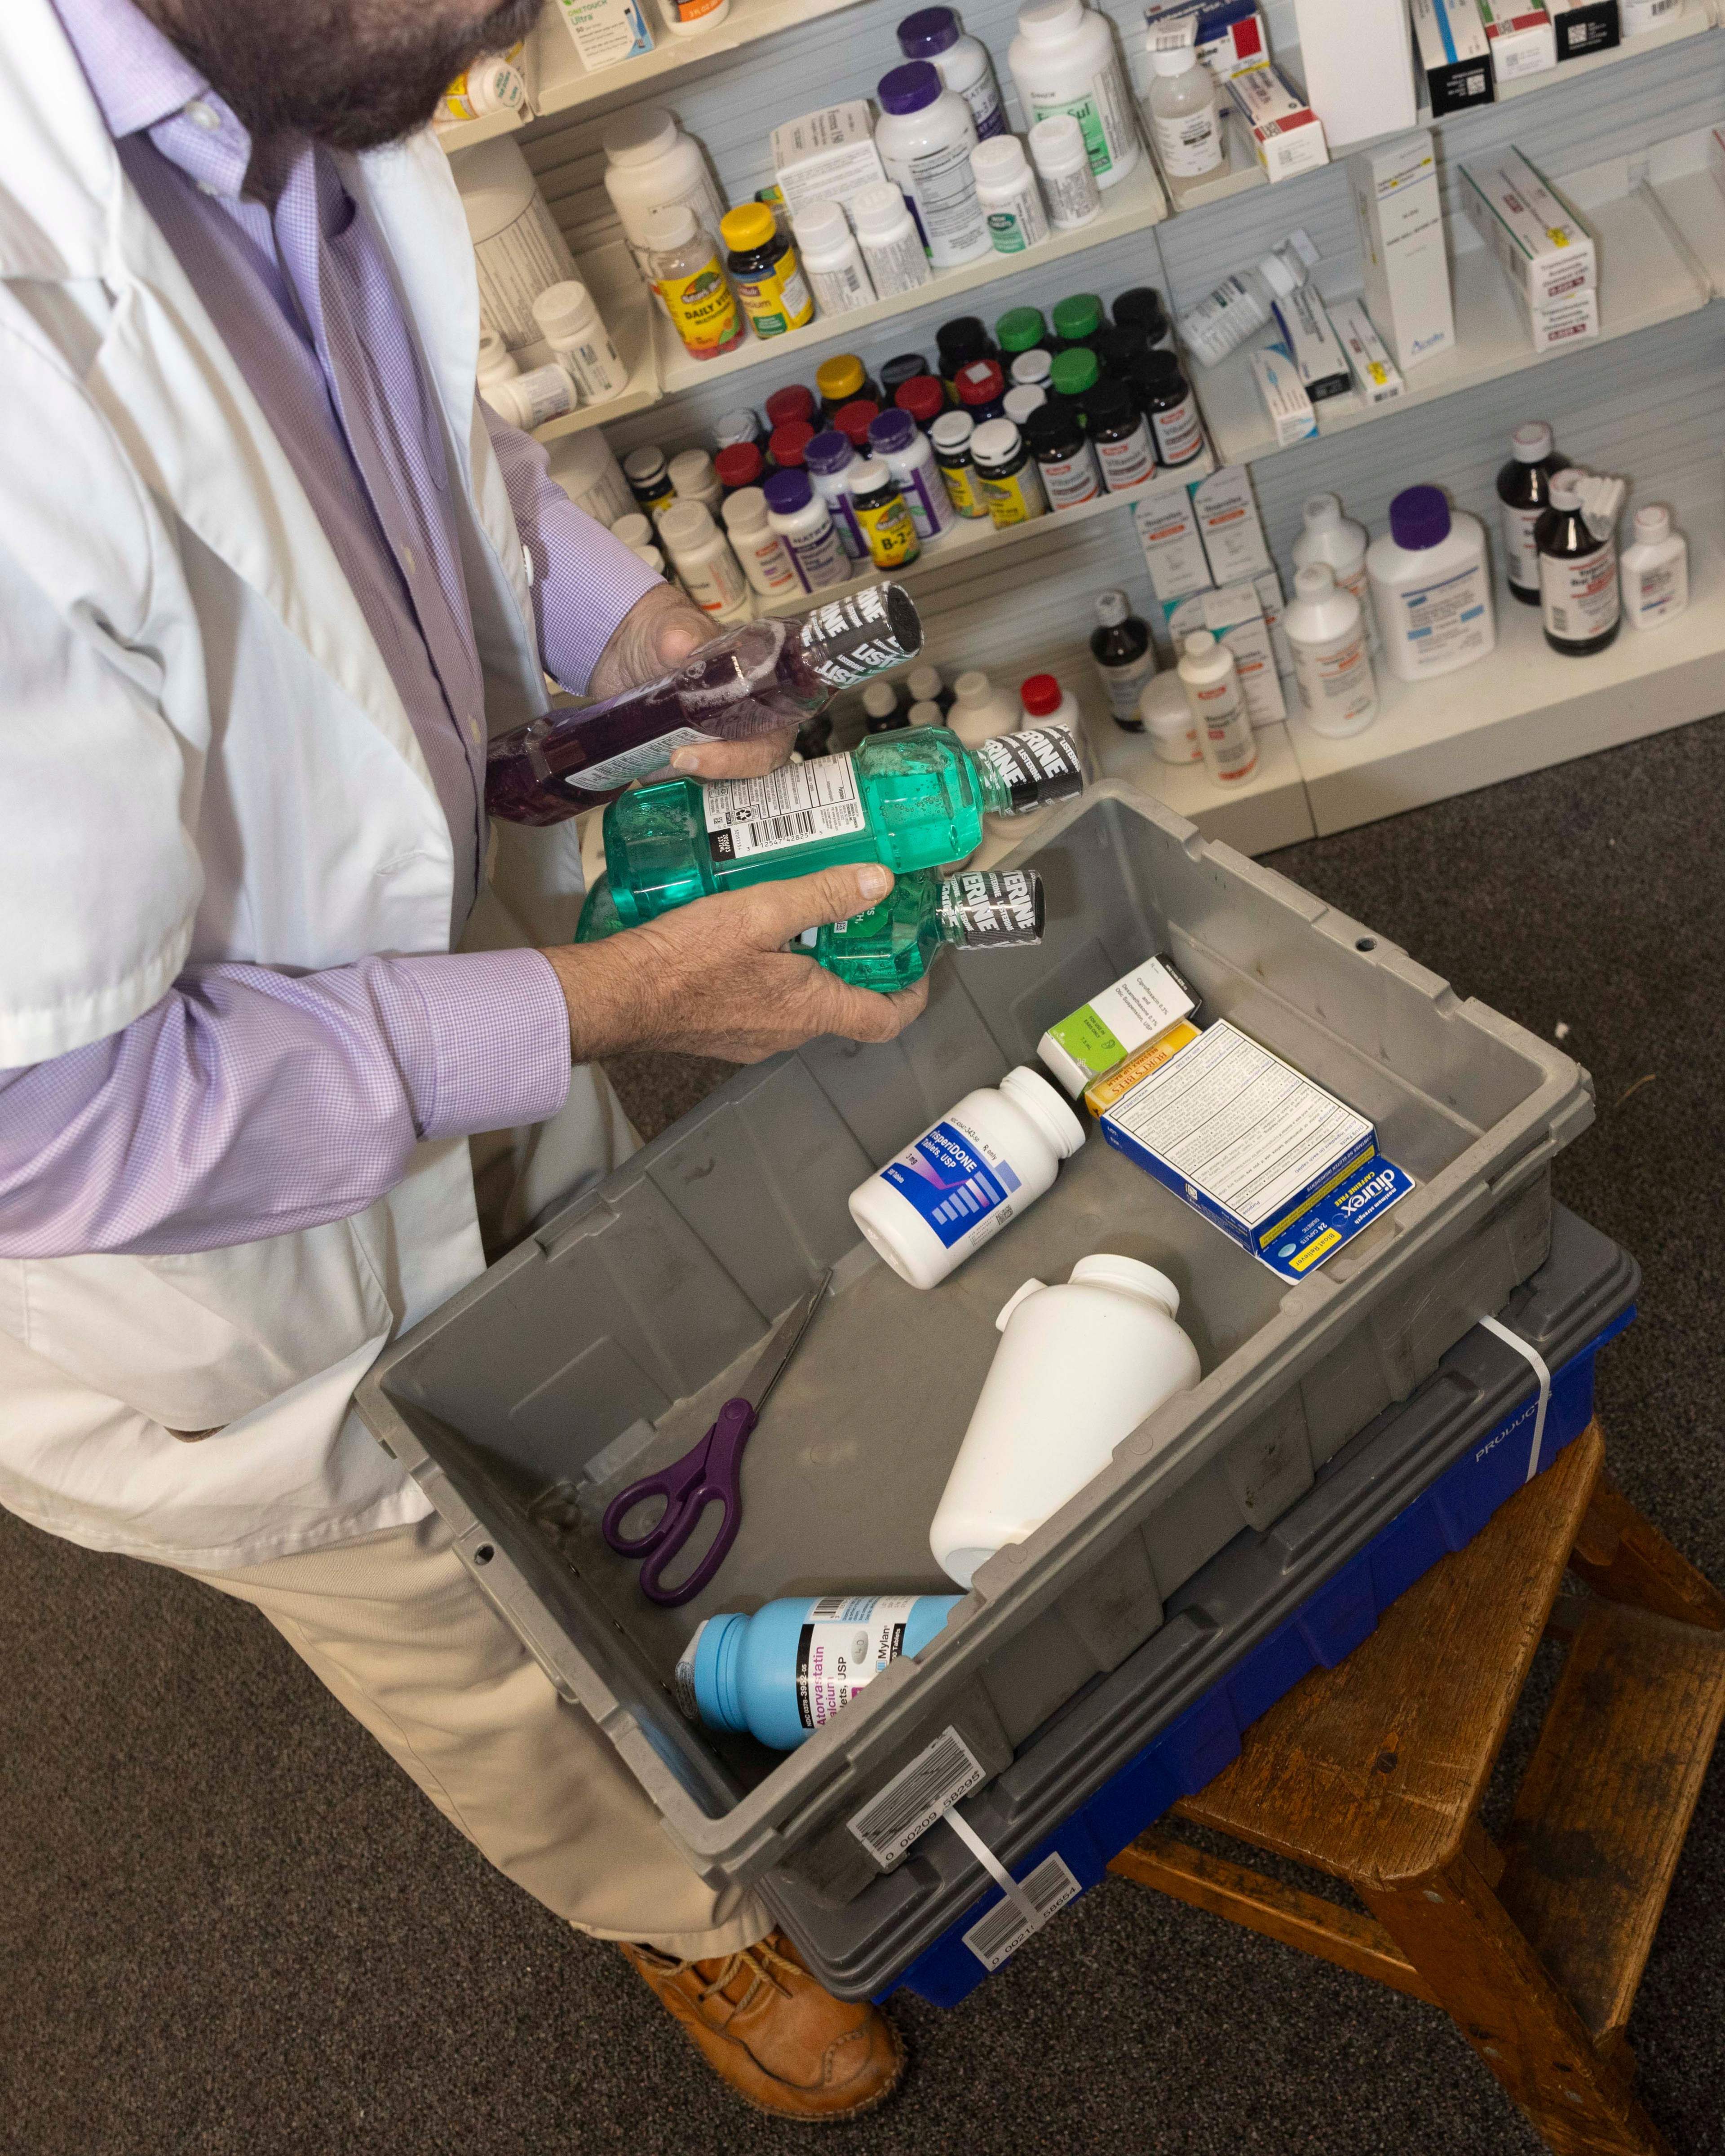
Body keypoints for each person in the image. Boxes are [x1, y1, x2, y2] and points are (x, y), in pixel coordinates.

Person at [0, 0, 923, 2122]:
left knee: (635, 1373)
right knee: (466, 1632)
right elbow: (47, 1127)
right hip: (209, 1263)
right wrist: (607, 1005)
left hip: (444, 985)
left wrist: (627, 642)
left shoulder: (299, 65)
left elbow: (402, 435)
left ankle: (755, 1673)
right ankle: (682, 1918)